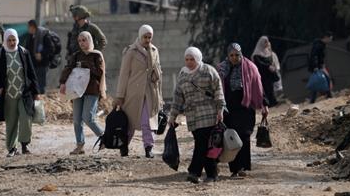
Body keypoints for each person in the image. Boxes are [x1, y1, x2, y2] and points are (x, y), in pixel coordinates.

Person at [169, 47, 226, 184]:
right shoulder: (183, 74)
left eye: (192, 59)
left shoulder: (208, 71)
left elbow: (218, 90)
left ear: (198, 58)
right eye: (187, 59)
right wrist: (172, 116)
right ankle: (212, 174)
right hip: (192, 117)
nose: (189, 62)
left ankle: (194, 172)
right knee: (205, 146)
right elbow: (178, 97)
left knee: (202, 144)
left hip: (208, 114)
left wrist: (220, 109)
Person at [218, 43, 269, 177]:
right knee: (231, 138)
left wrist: (264, 104)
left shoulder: (250, 68)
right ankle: (235, 169)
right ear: (228, 56)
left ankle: (243, 167)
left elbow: (258, 87)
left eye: (237, 55)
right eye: (231, 55)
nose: (234, 58)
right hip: (228, 109)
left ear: (241, 54)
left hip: (245, 108)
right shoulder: (222, 68)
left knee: (244, 136)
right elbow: (216, 88)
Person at [0, 29, 40, 157]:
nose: (12, 43)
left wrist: (36, 91)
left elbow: (31, 72)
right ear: (5, 40)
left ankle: (24, 144)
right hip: (8, 94)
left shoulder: (23, 52)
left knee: (26, 118)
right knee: (11, 121)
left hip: (24, 92)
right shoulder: (0, 53)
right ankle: (12, 148)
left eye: (14, 40)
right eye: (9, 40)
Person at [113, 25, 163, 158]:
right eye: (145, 37)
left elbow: (159, 74)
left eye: (149, 37)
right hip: (133, 94)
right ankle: (124, 146)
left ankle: (148, 147)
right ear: (140, 36)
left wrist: (160, 96)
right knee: (129, 122)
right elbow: (124, 74)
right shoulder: (131, 52)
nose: (147, 40)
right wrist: (120, 95)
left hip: (150, 92)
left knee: (148, 121)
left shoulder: (154, 50)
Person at [60, 31, 106, 155]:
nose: (81, 43)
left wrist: (88, 67)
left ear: (89, 40)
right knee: (76, 119)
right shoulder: (76, 56)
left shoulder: (96, 56)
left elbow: (100, 74)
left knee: (88, 117)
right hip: (77, 90)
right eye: (79, 41)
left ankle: (103, 137)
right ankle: (80, 145)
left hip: (92, 90)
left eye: (84, 40)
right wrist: (63, 82)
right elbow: (68, 68)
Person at [24, 20, 55, 94]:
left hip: (42, 64)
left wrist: (41, 54)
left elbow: (51, 48)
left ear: (32, 27)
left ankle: (41, 101)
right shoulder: (30, 36)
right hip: (33, 64)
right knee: (33, 84)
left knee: (41, 85)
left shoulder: (43, 35)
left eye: (29, 27)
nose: (28, 29)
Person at [251, 36, 280, 107]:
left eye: (267, 41)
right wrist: (268, 66)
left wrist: (273, 67)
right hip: (262, 75)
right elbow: (259, 64)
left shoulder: (269, 52)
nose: (267, 43)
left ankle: (273, 102)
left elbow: (272, 61)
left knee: (271, 89)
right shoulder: (257, 54)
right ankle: (267, 103)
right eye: (265, 41)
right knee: (265, 89)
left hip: (270, 75)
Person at [308, 32, 333, 103]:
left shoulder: (321, 44)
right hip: (317, 66)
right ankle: (328, 95)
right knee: (324, 79)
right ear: (326, 37)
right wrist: (315, 66)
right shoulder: (318, 45)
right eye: (330, 39)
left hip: (320, 65)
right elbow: (314, 56)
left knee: (320, 80)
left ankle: (327, 95)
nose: (330, 41)